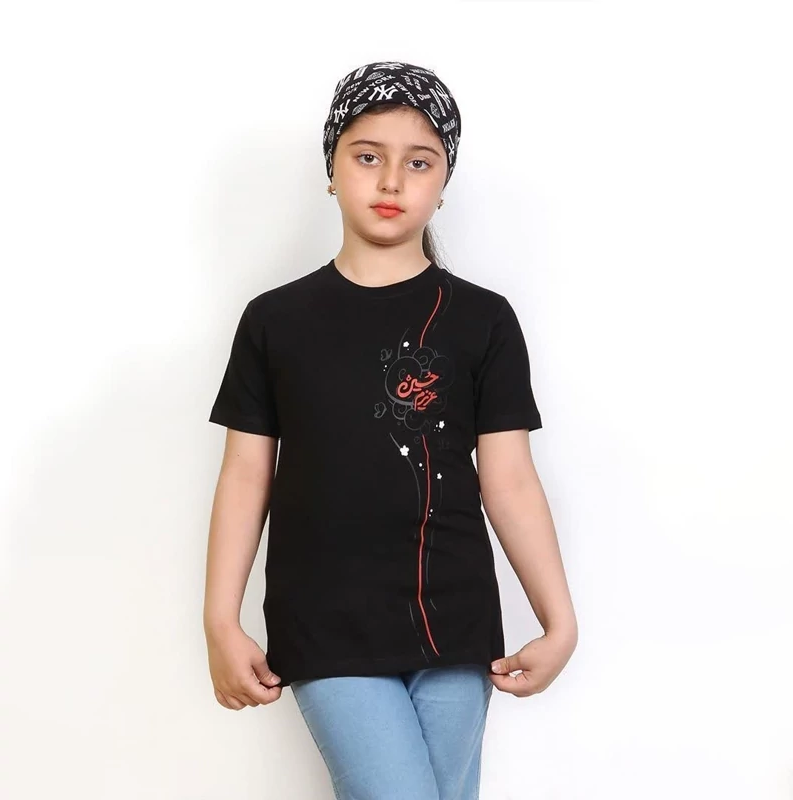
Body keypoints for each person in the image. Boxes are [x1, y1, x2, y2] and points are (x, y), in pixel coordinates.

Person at [203, 60, 578, 799]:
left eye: (419, 162)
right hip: (326, 622)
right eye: (368, 156)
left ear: (444, 181)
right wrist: (220, 618)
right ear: (332, 168)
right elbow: (246, 474)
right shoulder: (276, 321)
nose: (392, 181)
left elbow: (509, 481)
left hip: (455, 624)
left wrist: (557, 619)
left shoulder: (483, 320)